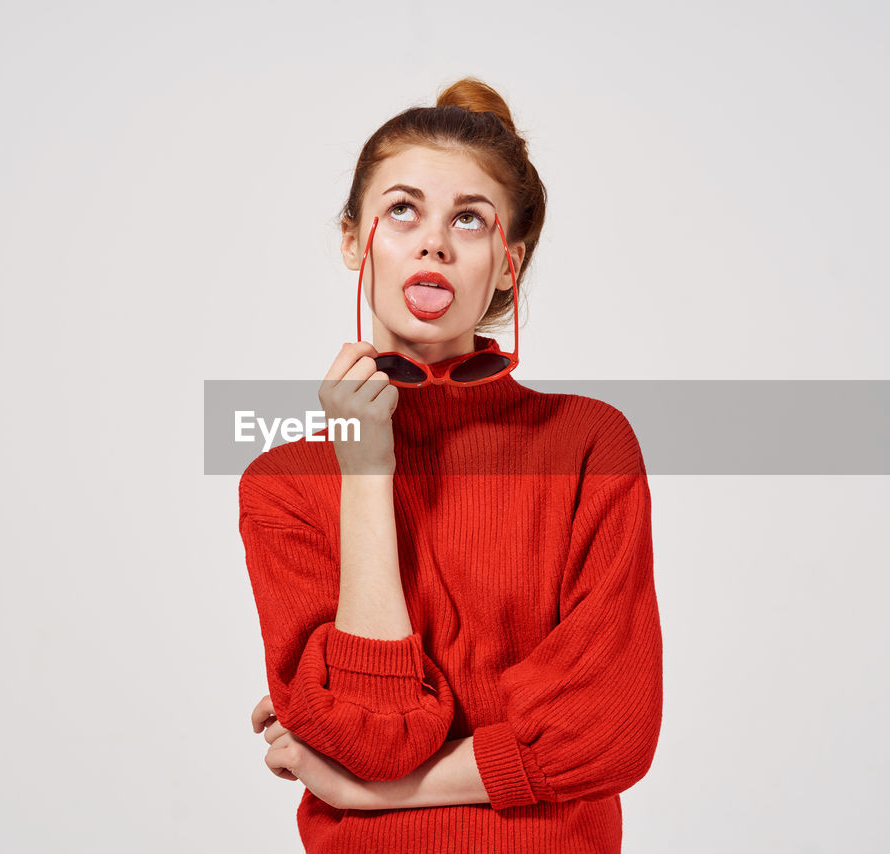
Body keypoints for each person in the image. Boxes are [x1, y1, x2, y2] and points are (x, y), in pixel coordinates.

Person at [238, 78, 663, 853]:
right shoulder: (284, 487)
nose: (434, 241)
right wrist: (366, 469)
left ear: (509, 263)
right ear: (351, 241)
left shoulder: (588, 446)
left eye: (469, 218)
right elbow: (382, 735)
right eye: (402, 210)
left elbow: (611, 731)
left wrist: (365, 792)